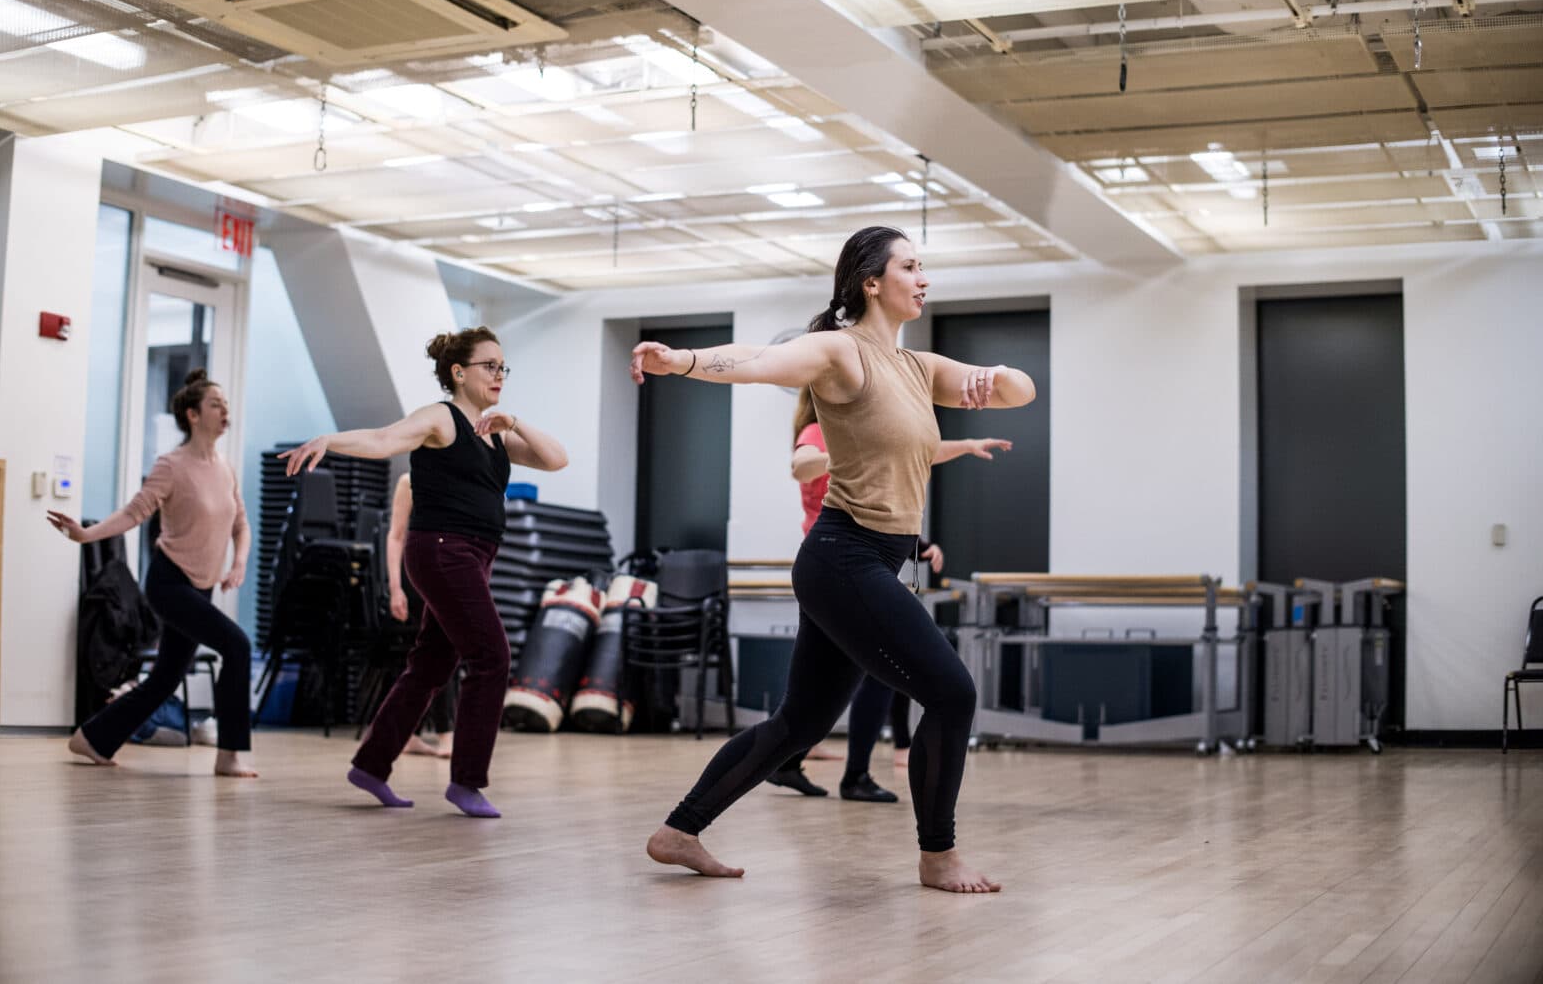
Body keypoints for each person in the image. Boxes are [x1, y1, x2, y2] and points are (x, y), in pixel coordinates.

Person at [633, 225, 1034, 893]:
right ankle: (938, 855)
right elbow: (760, 360)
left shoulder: (919, 368)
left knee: (801, 722)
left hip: (866, 560)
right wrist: (680, 360)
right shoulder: (840, 352)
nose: (924, 278)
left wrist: (992, 381)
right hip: (843, 556)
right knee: (952, 692)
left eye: (924, 266)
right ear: (871, 281)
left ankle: (679, 830)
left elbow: (1016, 390)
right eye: (911, 266)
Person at [281, 327, 567, 817]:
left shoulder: (493, 431)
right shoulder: (441, 417)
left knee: (433, 663)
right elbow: (384, 439)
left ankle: (371, 766)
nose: (499, 375)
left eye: (503, 367)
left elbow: (556, 459)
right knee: (491, 657)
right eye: (489, 366)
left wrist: (513, 420)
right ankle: (466, 782)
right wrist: (331, 440)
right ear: (459, 373)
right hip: (441, 549)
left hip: (472, 554)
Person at [766, 388, 1011, 802]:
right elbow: (801, 465)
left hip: (850, 567)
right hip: (841, 567)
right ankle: (854, 775)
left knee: (817, 695)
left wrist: (967, 445)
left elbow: (913, 454)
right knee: (870, 678)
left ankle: (788, 763)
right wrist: (844, 454)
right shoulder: (820, 429)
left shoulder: (852, 432)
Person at [51, 369, 258, 778]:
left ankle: (91, 738)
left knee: (166, 678)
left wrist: (238, 563)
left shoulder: (226, 468)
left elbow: (241, 524)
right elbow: (134, 512)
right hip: (170, 582)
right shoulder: (171, 465)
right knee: (237, 647)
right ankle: (229, 754)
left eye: (226, 405)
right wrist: (85, 534)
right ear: (192, 414)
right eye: (215, 404)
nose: (225, 411)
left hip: (202, 588)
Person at [384, 473, 454, 760]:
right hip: (418, 577)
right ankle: (444, 734)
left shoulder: (458, 477)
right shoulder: (409, 481)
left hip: (448, 572)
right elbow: (396, 535)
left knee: (438, 654)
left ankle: (411, 733)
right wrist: (395, 587)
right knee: (437, 652)